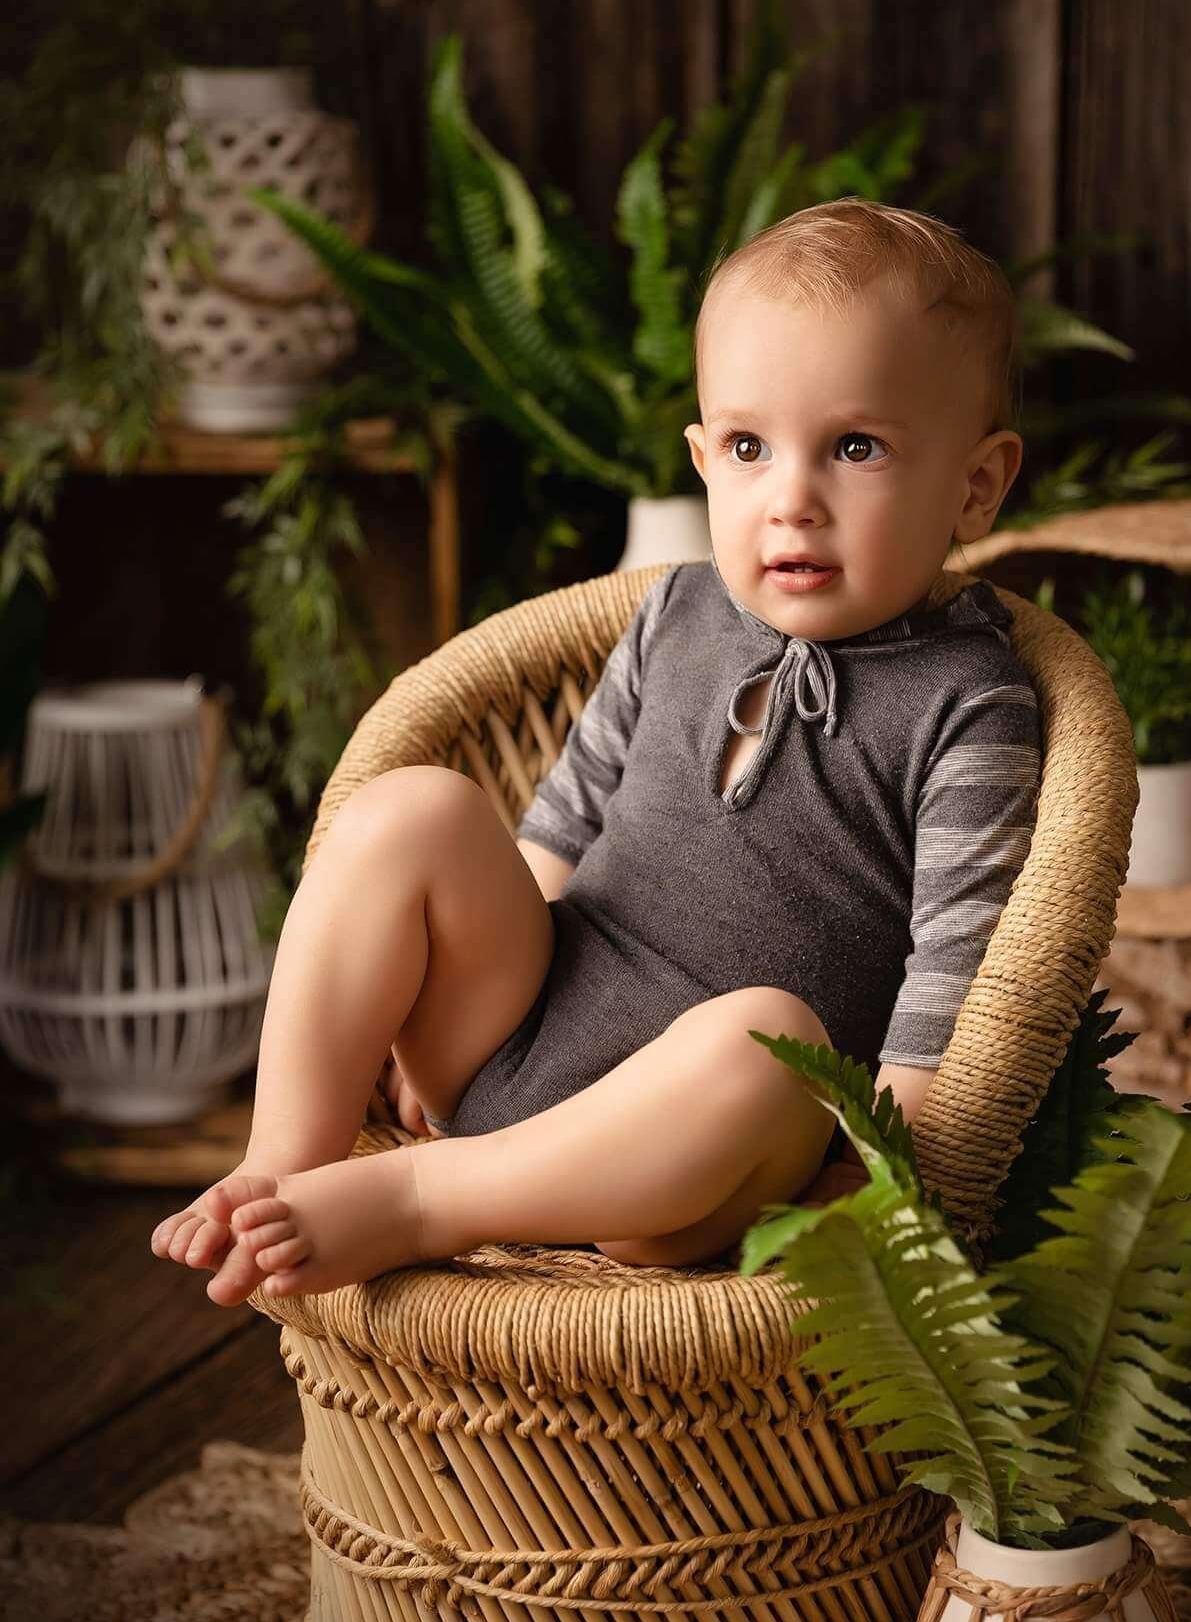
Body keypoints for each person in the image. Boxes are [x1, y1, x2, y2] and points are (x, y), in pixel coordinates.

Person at [150, 197, 1039, 1305]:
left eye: (855, 447)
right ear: (706, 459)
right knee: (414, 807)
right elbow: (558, 830)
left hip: (691, 1155)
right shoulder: (678, 612)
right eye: (752, 448)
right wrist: (430, 995)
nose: (791, 500)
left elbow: (957, 981)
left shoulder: (971, 698)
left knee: (770, 1038)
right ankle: (283, 1158)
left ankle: (424, 1198)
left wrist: (883, 1178)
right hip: (532, 1029)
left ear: (975, 484)